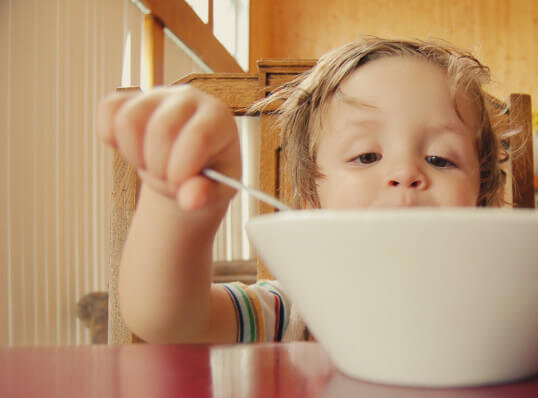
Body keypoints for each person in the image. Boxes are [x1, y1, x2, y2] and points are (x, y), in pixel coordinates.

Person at [97, 37, 506, 343]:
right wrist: (177, 201)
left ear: (482, 199)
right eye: (366, 156)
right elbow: (165, 320)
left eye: (440, 159)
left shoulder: (507, 306)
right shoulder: (293, 309)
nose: (405, 173)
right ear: (311, 199)